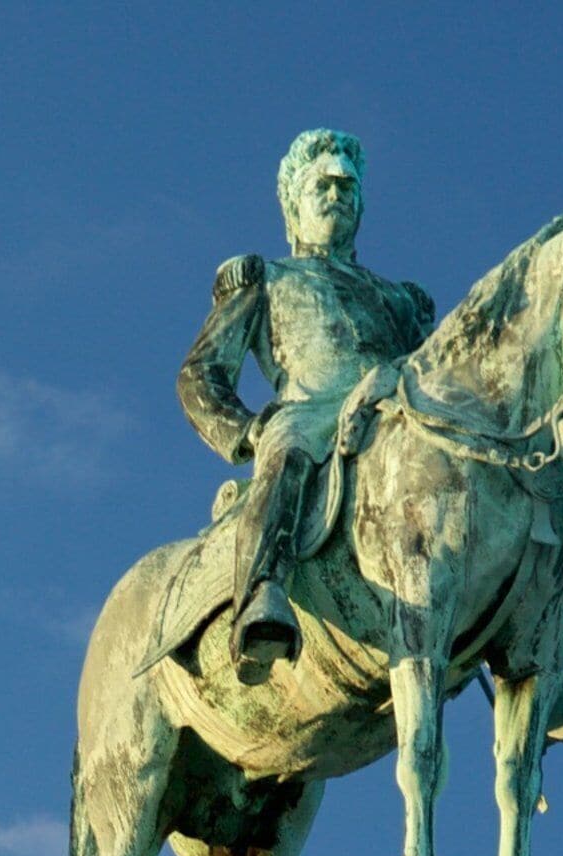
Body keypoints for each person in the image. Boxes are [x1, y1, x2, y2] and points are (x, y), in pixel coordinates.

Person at [175, 129, 437, 667]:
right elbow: (200, 372)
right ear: (293, 203)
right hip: (311, 414)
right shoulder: (264, 277)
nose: (337, 194)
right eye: (323, 185)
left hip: (394, 410)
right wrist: (245, 429)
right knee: (289, 449)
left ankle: (533, 636)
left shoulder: (399, 299)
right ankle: (263, 593)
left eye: (347, 186)